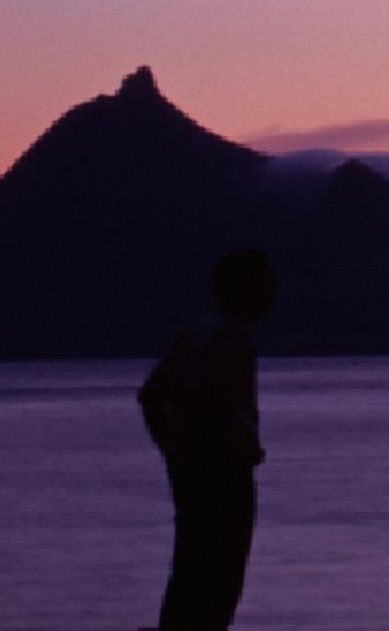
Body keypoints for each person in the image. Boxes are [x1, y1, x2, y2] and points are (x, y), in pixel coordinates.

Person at [139, 247, 274, 631]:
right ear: (244, 288)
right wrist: (220, 449)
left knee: (191, 570)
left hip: (196, 469)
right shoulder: (231, 339)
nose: (274, 290)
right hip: (223, 472)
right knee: (219, 578)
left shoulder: (199, 331)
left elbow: (151, 396)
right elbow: (203, 398)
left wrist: (174, 455)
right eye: (266, 281)